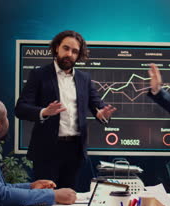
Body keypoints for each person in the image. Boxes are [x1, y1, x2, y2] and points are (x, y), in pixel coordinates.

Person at [15, 30, 116, 189]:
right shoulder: (39, 75)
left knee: (68, 198)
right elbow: (20, 108)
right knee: (45, 199)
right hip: (47, 150)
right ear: (56, 48)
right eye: (66, 48)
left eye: (75, 51)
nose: (69, 54)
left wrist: (102, 114)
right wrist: (44, 112)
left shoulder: (84, 79)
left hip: (74, 151)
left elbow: (98, 106)